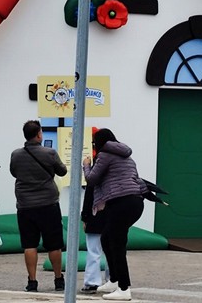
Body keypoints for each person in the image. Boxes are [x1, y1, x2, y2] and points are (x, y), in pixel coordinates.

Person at [82, 128, 144, 302]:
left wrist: (86, 165)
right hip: (134, 202)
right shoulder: (127, 156)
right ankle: (114, 280)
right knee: (106, 238)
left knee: (116, 245)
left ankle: (124, 289)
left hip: (121, 203)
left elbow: (92, 180)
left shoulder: (105, 155)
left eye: (95, 143)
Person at [9, 119, 67, 292]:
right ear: (39, 134)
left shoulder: (16, 154)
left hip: (25, 205)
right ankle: (58, 279)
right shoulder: (49, 153)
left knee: (29, 244)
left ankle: (32, 281)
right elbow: (62, 170)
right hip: (48, 204)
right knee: (54, 244)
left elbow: (14, 172)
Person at [80, 165, 108, 294]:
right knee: (112, 251)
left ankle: (92, 282)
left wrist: (85, 217)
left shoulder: (94, 174)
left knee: (93, 251)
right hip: (112, 215)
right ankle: (112, 280)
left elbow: (89, 197)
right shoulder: (119, 172)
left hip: (94, 215)